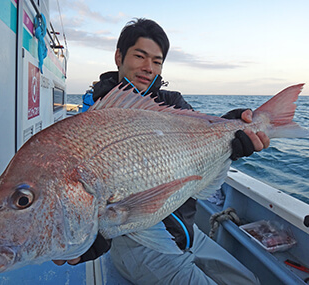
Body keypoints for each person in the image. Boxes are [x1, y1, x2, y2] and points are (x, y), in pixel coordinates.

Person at [54, 18, 269, 284]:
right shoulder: (96, 115)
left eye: (157, 61)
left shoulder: (171, 103)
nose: (148, 68)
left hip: (187, 230)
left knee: (248, 281)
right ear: (119, 56)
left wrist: (233, 130)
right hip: (139, 244)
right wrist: (93, 233)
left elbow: (202, 134)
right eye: (140, 56)